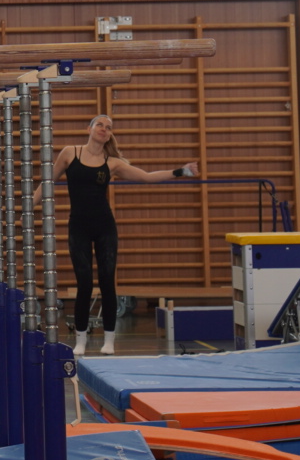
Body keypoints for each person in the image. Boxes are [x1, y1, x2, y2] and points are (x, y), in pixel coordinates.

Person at [53, 116, 198, 356]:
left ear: (110, 135)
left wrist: (181, 171)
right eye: (100, 125)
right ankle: (80, 340)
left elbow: (146, 176)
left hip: (104, 227)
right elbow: (47, 181)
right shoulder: (70, 153)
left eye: (109, 127)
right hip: (78, 226)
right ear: (89, 129)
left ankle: (109, 340)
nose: (104, 129)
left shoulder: (112, 163)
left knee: (107, 282)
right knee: (84, 284)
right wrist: (27, 207)